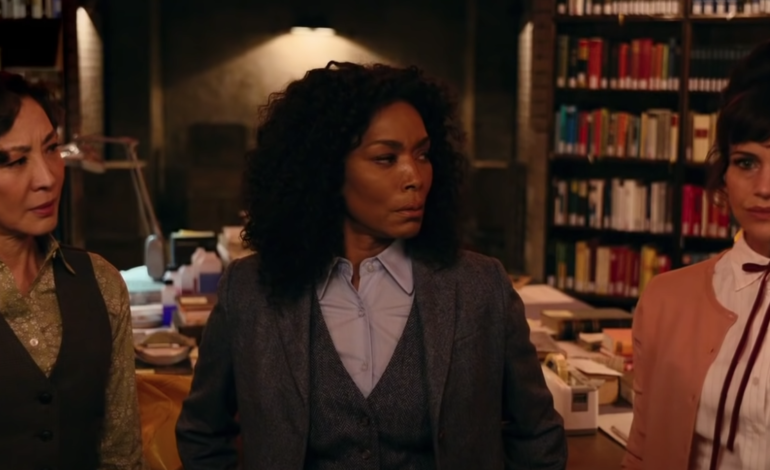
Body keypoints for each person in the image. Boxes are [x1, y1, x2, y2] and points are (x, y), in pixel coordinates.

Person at [176, 62, 567, 469]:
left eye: (423, 155)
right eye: (386, 158)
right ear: (327, 170)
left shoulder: (480, 287)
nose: (415, 177)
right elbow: (202, 432)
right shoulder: (249, 290)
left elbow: (537, 437)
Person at [623, 39, 770, 470]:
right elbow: (641, 450)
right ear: (723, 175)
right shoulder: (667, 299)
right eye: (746, 163)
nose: (765, 187)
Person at [0, 72, 145, 469]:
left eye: (51, 149)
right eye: (16, 161)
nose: (47, 178)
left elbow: (121, 455)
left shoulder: (101, 282)